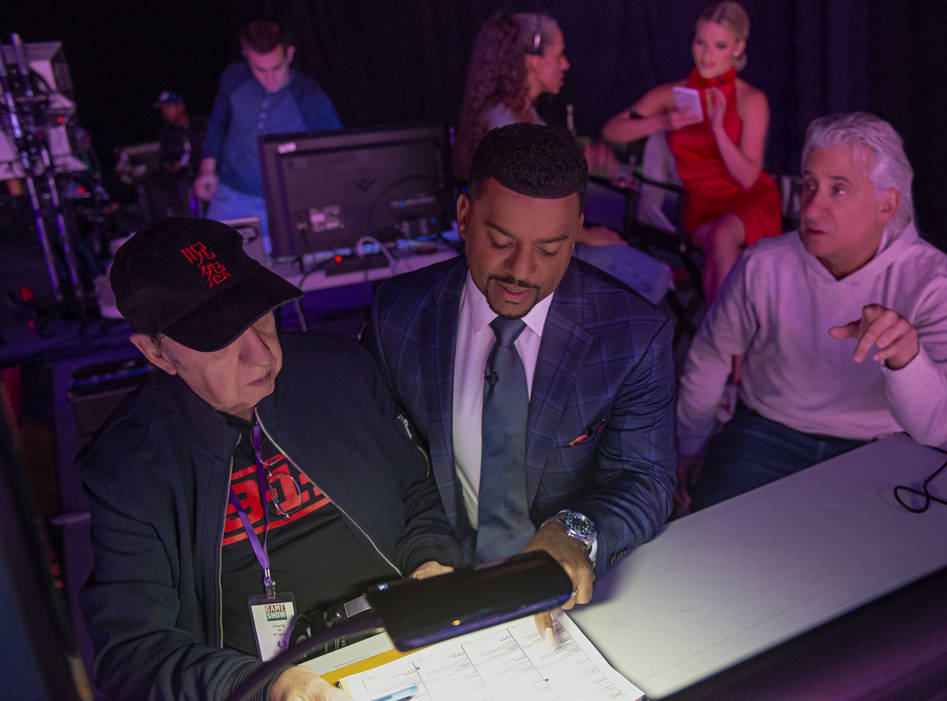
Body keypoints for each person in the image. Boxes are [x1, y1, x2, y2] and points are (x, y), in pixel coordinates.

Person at [78, 218, 462, 700]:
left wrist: (431, 563)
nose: (261, 356)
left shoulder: (342, 370)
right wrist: (264, 685)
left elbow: (416, 492)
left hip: (405, 644)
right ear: (157, 352)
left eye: (260, 315)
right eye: (221, 337)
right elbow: (130, 653)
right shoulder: (128, 469)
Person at [365, 123, 677, 641]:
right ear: (464, 217)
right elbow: (384, 461)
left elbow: (647, 480)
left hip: (575, 600)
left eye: (551, 250)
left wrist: (573, 532)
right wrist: (423, 555)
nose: (522, 270)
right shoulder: (396, 315)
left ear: (577, 230)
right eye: (502, 241)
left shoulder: (634, 335)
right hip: (436, 583)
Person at [676, 112, 947, 510]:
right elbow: (711, 354)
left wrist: (906, 359)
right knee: (709, 548)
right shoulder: (764, 264)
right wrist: (691, 446)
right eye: (810, 185)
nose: (811, 209)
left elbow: (935, 428)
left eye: (839, 190)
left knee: (888, 565)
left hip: (882, 443)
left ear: (887, 205)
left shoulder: (937, 283)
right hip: (767, 428)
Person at [452, 11, 672, 306]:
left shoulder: (524, 114)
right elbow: (522, 217)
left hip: (542, 244)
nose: (566, 64)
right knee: (653, 276)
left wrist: (578, 163)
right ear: (534, 61)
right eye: (559, 55)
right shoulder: (504, 122)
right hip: (525, 256)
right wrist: (585, 236)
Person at [602, 1, 782, 305]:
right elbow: (611, 131)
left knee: (723, 240)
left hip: (748, 200)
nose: (707, 54)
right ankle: (727, 345)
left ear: (738, 48)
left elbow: (748, 178)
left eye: (720, 45)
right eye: (701, 42)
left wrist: (719, 131)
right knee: (723, 249)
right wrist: (661, 121)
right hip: (701, 206)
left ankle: (716, 344)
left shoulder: (751, 99)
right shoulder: (672, 94)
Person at [194, 19, 342, 251]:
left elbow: (336, 151)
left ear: (289, 54)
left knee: (280, 276)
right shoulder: (234, 77)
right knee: (212, 261)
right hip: (232, 193)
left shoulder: (309, 96)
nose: (269, 79)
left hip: (286, 202)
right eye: (259, 69)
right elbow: (218, 122)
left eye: (276, 68)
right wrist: (207, 168)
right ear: (246, 56)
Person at [146, 90, 207, 218]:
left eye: (168, 107)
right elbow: (164, 157)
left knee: (184, 184)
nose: (165, 112)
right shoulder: (166, 133)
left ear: (180, 107)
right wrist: (170, 165)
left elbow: (208, 149)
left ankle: (196, 220)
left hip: (201, 168)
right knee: (154, 180)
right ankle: (160, 224)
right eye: (163, 108)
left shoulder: (201, 125)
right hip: (179, 174)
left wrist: (192, 164)